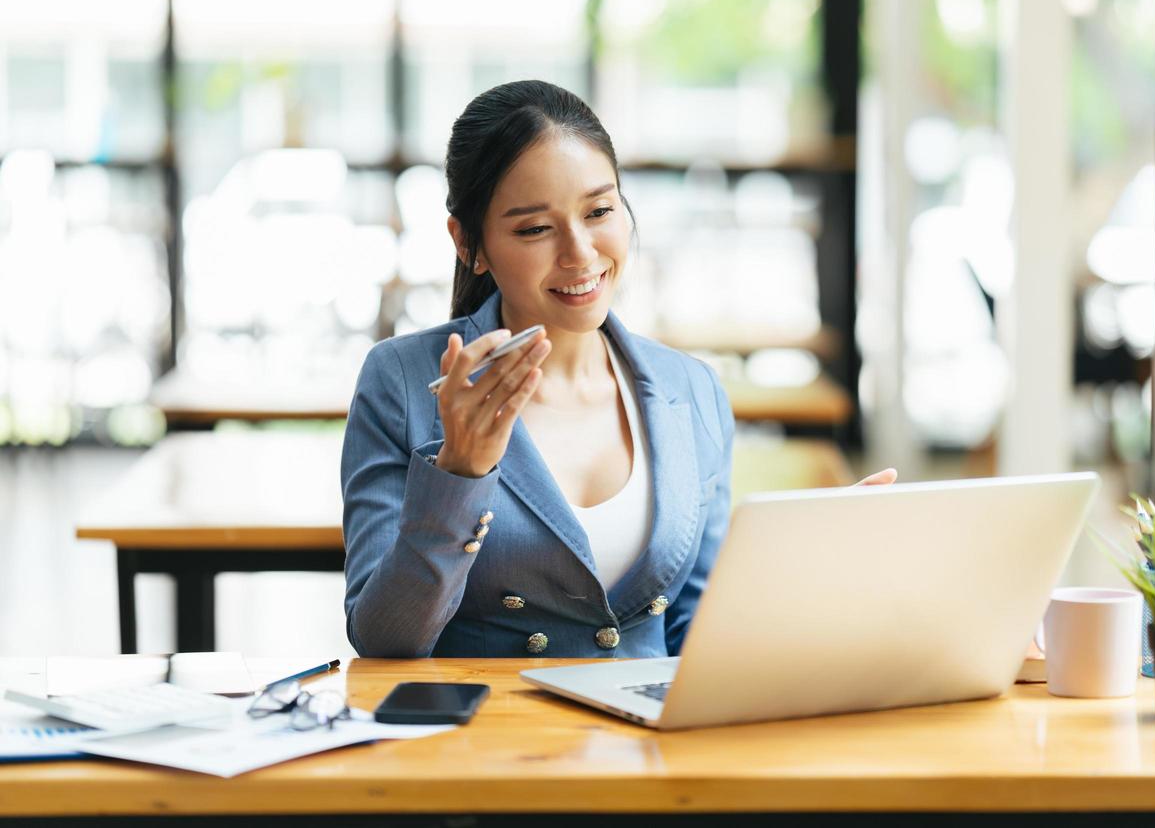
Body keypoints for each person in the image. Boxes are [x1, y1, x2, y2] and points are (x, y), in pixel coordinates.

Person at [342, 80, 895, 658]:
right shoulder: (401, 382)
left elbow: (695, 638)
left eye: (600, 210)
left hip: (649, 744)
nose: (580, 253)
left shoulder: (692, 390)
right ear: (468, 243)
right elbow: (385, 639)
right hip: (490, 740)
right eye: (534, 228)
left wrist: (812, 567)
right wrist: (459, 472)